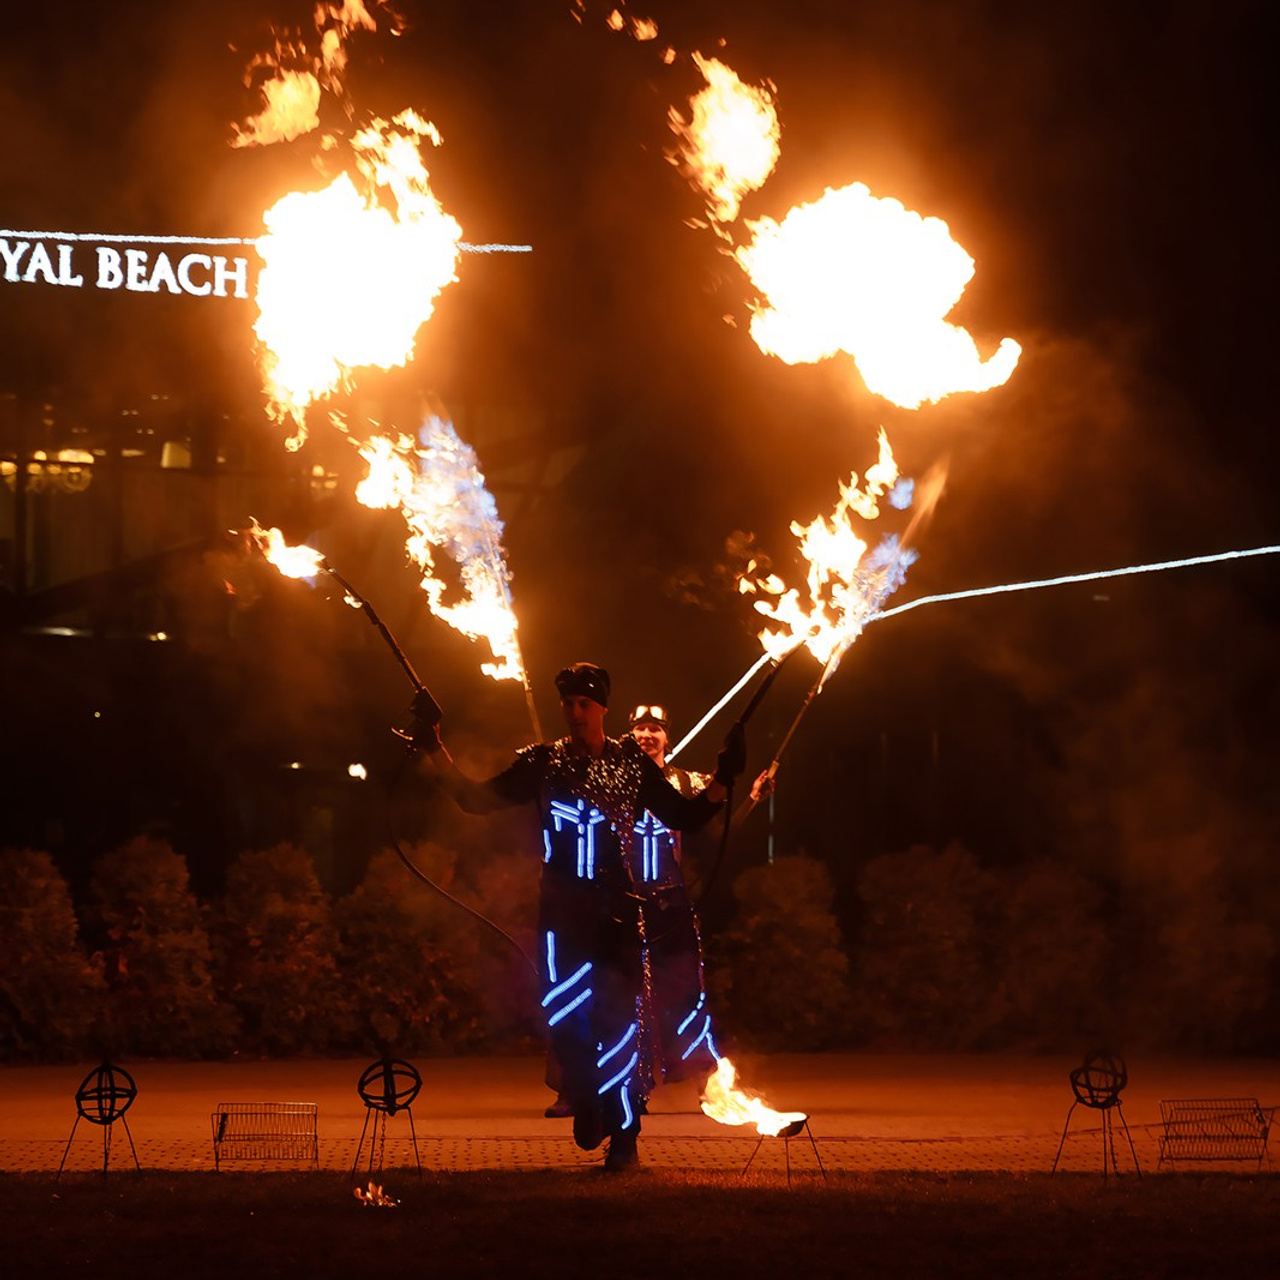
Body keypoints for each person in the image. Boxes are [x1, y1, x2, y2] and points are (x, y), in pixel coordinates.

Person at [406, 662, 745, 1171]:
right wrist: (433, 744)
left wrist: (724, 776)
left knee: (622, 1028)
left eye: (584, 704)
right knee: (568, 1022)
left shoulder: (632, 763)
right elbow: (474, 799)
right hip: (563, 917)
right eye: (567, 704)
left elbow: (685, 816)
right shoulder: (543, 763)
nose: (574, 713)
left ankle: (625, 1140)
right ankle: (586, 1098)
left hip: (619, 917)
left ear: (603, 708)